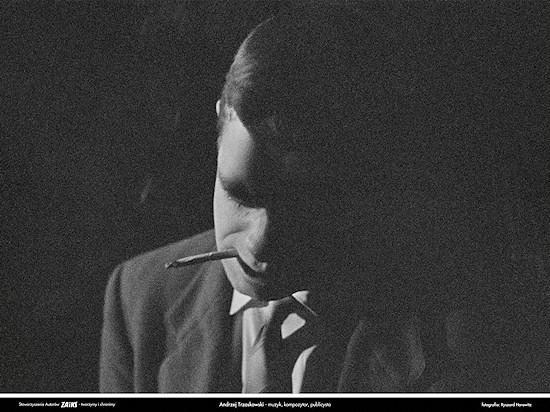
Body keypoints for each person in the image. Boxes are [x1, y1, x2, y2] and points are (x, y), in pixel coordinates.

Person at [100, 3, 550, 393]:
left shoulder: (475, 326)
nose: (260, 243)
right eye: (240, 193)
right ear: (219, 126)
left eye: (300, 208)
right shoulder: (140, 298)